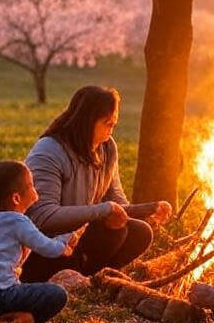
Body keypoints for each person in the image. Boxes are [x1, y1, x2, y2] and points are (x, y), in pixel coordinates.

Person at [20, 86, 171, 281]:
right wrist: (102, 211)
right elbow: (42, 217)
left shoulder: (107, 148)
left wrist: (148, 209)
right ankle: (68, 276)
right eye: (107, 123)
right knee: (111, 230)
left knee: (140, 232)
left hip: (79, 237)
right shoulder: (50, 150)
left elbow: (116, 201)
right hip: (45, 244)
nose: (111, 130)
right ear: (86, 120)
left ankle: (90, 277)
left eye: (113, 124)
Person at [0, 161, 71, 323]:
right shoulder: (17, 221)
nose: (35, 188)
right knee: (57, 294)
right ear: (16, 198)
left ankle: (1, 318)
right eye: (31, 185)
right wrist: (65, 241)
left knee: (25, 290)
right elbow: (49, 248)